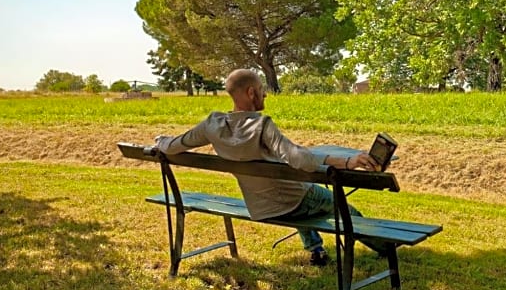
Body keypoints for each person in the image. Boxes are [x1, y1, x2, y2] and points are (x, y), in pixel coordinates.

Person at [155, 68, 381, 267]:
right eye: (262, 89)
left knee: (297, 188)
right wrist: (348, 161)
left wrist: (158, 142)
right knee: (344, 209)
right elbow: (299, 159)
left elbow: (173, 145)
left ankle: (315, 249)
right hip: (291, 202)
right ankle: (385, 247)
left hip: (259, 206)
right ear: (252, 92)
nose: (265, 94)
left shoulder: (212, 125)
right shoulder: (261, 125)